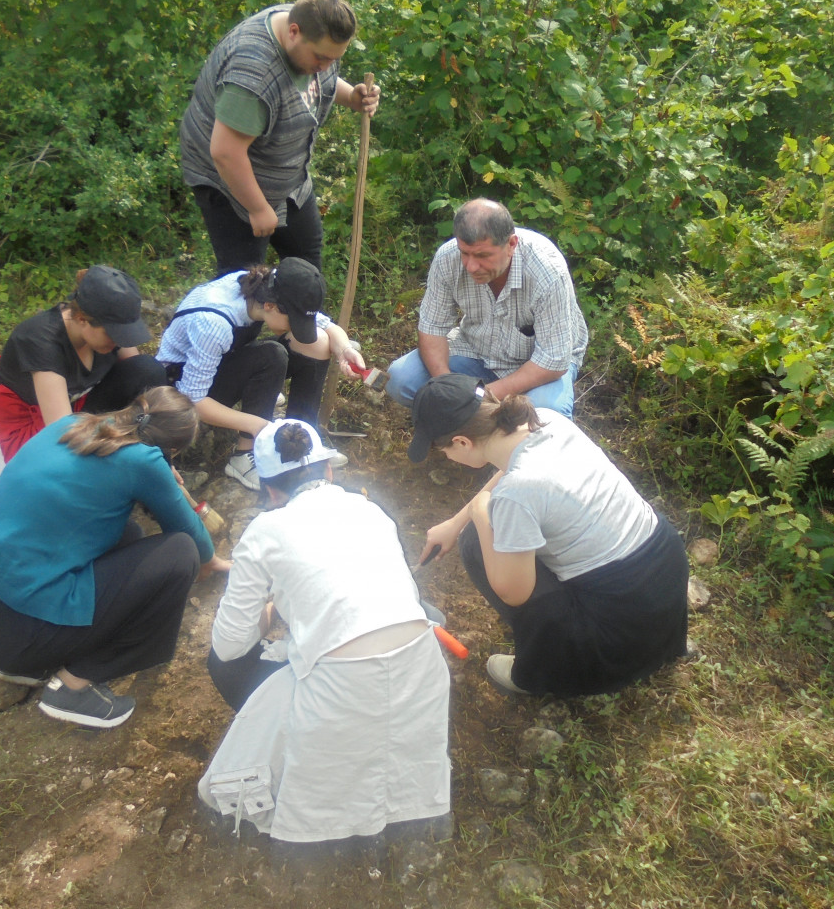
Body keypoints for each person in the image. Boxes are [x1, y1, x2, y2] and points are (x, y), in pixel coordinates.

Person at [198, 419, 451, 843]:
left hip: (339, 692)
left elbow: (228, 646)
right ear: (329, 470)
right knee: (425, 614)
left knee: (221, 664)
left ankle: (309, 753)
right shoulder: (371, 510)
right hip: (419, 678)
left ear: (271, 490)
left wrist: (274, 605)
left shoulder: (264, 532)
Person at [0, 387, 217, 729]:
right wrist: (212, 561)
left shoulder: (73, 424)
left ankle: (29, 664)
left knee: (127, 535)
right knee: (179, 553)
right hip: (15, 631)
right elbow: (193, 539)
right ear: (173, 449)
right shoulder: (143, 460)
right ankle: (75, 685)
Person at [410, 374, 688, 697]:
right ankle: (659, 647)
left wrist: (477, 514)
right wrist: (456, 521)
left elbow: (514, 591)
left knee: (477, 540)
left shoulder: (516, 494)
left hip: (616, 632)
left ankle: (543, 667)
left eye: (441, 449)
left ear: (461, 442)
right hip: (664, 581)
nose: (445, 456)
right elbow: (509, 472)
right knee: (489, 524)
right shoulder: (547, 421)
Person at [179, 0, 381, 276]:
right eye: (322, 58)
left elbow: (309, 82)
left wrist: (351, 96)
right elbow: (225, 153)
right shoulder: (252, 74)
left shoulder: (311, 28)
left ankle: (305, 319)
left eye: (334, 60)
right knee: (248, 281)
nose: (326, 68)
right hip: (231, 182)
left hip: (288, 177)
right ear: (293, 32)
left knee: (306, 263)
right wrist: (258, 208)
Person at [155, 258, 362, 490]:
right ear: (270, 307)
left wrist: (345, 351)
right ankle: (245, 454)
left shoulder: (269, 285)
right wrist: (260, 426)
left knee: (319, 341)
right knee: (272, 355)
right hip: (178, 389)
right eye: (293, 321)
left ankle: (303, 439)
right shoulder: (213, 323)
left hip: (223, 360)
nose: (295, 327)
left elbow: (326, 326)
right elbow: (192, 399)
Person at [386, 198, 588, 417]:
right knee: (400, 379)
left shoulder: (547, 271)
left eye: (483, 256)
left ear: (511, 244)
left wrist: (477, 396)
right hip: (476, 350)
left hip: (536, 367)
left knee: (547, 415)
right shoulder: (447, 258)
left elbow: (553, 360)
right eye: (465, 253)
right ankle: (459, 429)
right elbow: (432, 328)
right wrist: (447, 387)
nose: (471, 266)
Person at [0, 265, 166, 461]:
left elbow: (140, 376)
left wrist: (159, 452)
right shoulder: (40, 342)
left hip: (79, 410)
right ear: (81, 319)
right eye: (113, 334)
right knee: (86, 461)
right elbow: (63, 432)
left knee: (148, 369)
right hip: (38, 431)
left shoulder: (102, 330)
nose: (119, 341)